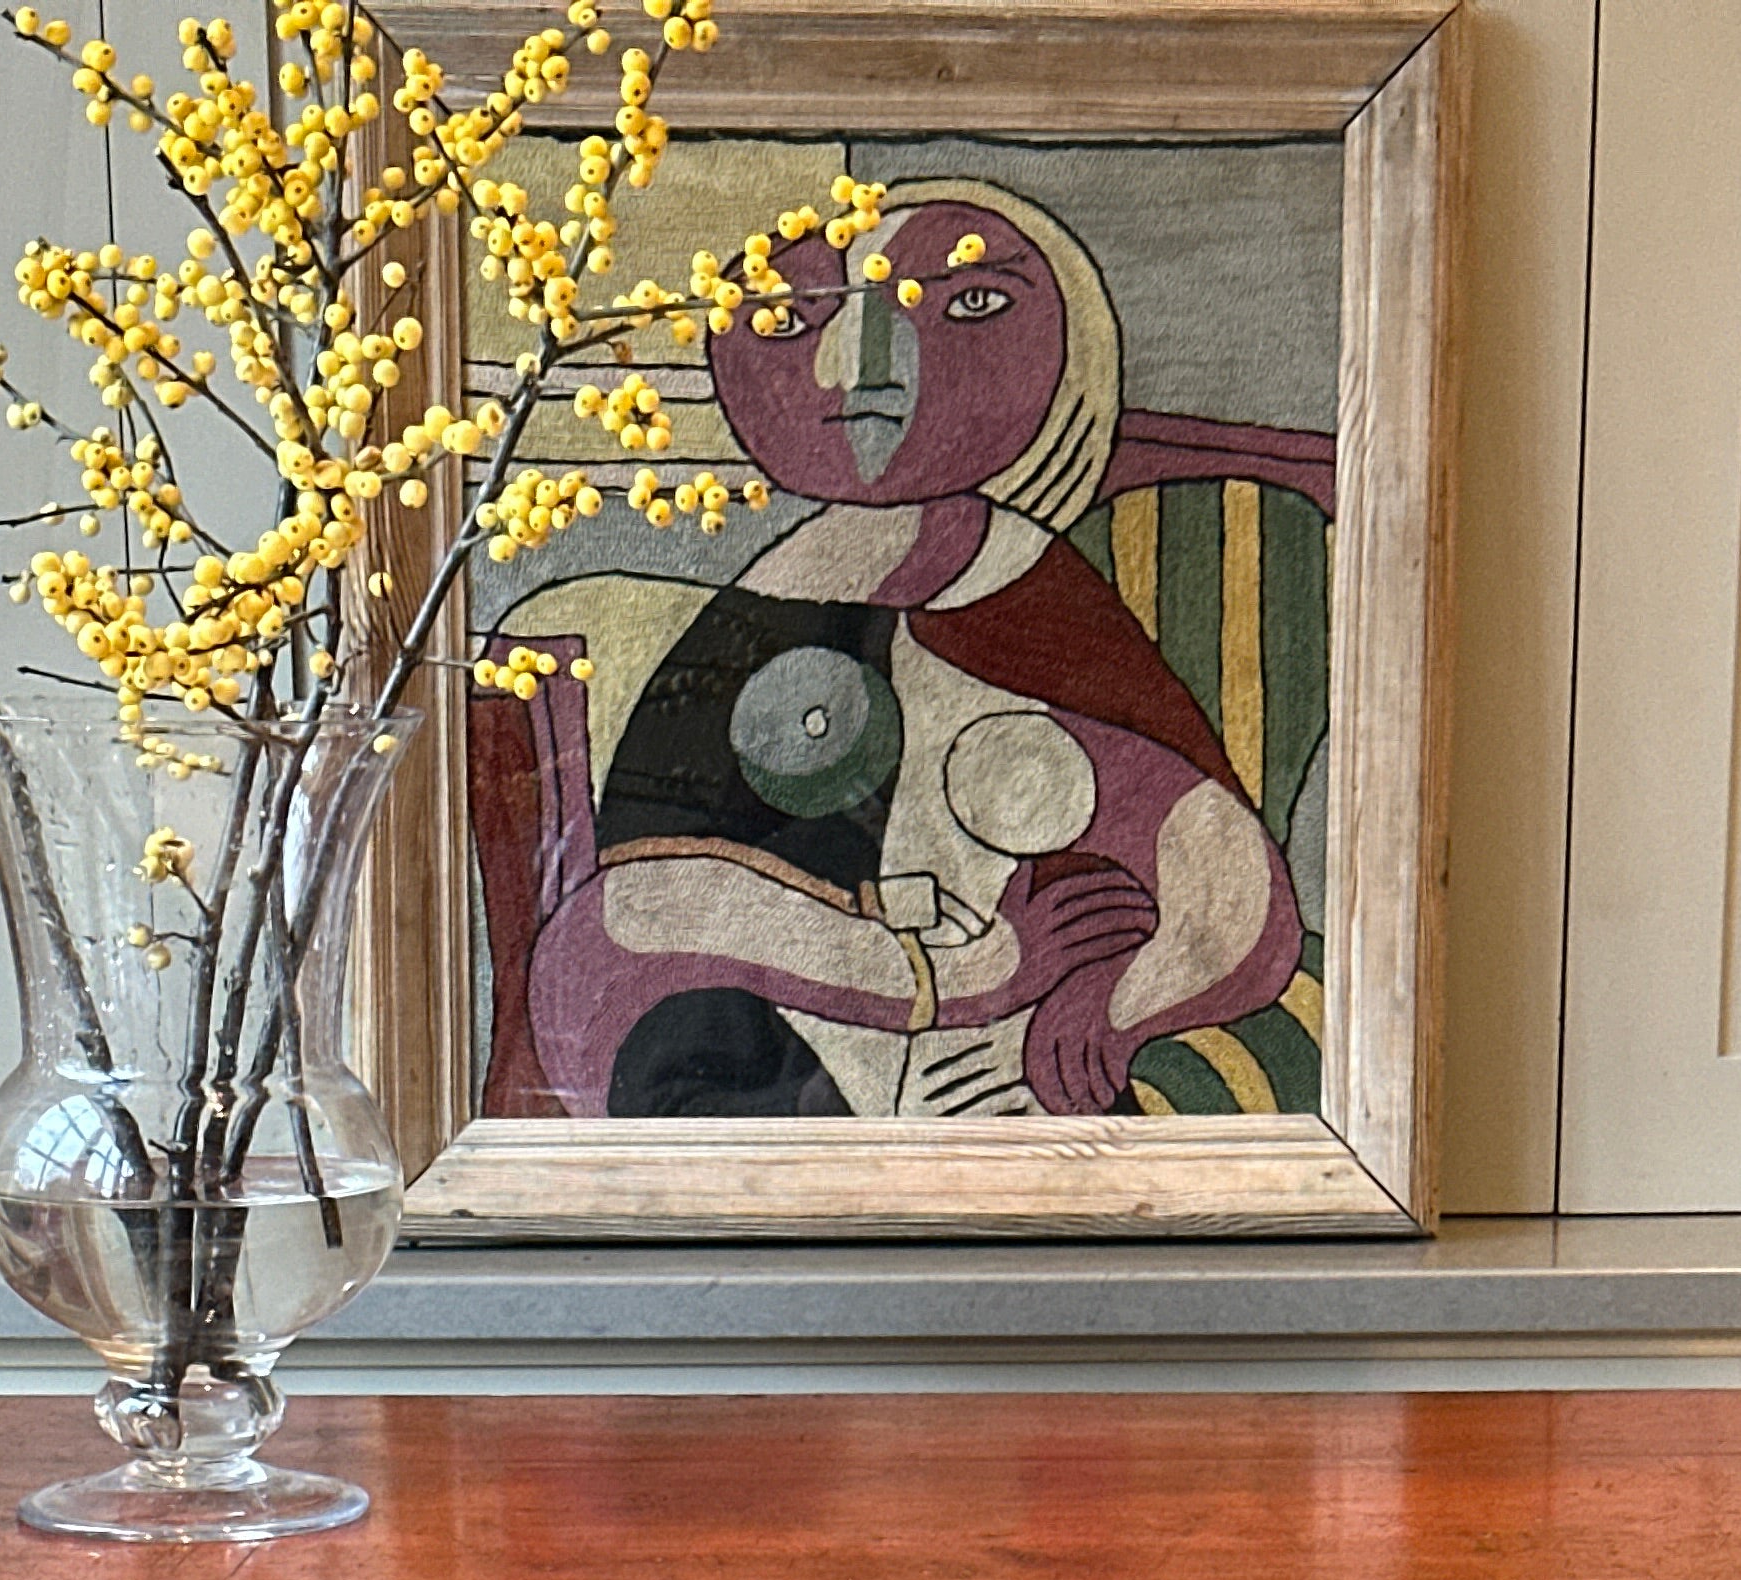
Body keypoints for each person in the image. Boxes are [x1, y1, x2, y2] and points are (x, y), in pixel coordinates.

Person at [480, 178, 1306, 1121]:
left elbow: (1222, 877)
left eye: (972, 306)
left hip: (987, 1089)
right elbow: (629, 917)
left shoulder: (1029, 596)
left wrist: (1114, 1008)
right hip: (741, 1076)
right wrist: (950, 973)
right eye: (793, 319)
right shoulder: (767, 601)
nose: (859, 369)